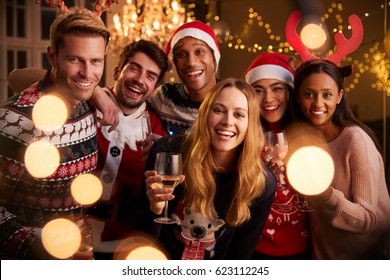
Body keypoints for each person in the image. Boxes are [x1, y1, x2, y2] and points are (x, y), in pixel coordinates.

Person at [0, 6, 111, 259]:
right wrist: (40, 250)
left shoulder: (85, 104)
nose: (87, 73)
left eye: (96, 61)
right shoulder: (15, 120)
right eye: (75, 59)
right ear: (52, 57)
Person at [142, 78, 277, 259]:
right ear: (205, 114)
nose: (228, 121)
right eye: (219, 110)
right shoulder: (168, 153)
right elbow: (141, 239)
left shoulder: (262, 183)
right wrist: (155, 209)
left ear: (250, 124)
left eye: (239, 115)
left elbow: (240, 257)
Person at [291, 58, 390, 259]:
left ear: (339, 96)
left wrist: (326, 194)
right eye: (309, 94)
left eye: (327, 94)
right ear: (299, 97)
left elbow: (368, 220)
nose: (318, 103)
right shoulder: (302, 142)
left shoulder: (356, 140)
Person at [88, 40, 168, 259]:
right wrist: (93, 90)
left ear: (154, 88)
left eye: (150, 76)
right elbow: (17, 77)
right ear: (117, 71)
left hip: (125, 246)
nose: (140, 80)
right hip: (72, 238)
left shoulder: (157, 128)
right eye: (134, 68)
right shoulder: (86, 103)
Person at [244, 52, 312, 259]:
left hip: (305, 249)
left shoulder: (309, 131)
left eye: (277, 88)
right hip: (257, 249)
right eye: (258, 90)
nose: (268, 99)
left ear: (290, 91)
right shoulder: (243, 135)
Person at [147, 20, 220, 135]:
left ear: (214, 58)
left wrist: (169, 144)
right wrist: (107, 95)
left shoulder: (233, 99)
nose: (191, 62)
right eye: (181, 54)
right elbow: (129, 106)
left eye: (199, 51)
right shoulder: (163, 98)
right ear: (175, 62)